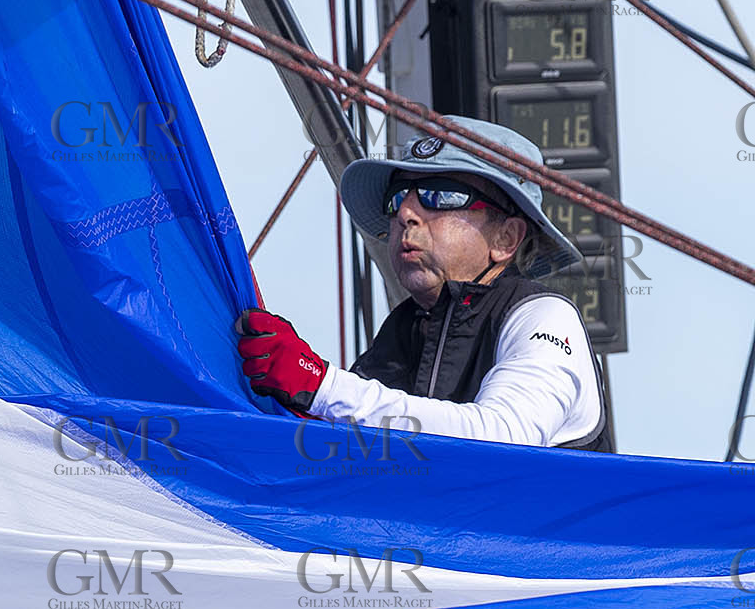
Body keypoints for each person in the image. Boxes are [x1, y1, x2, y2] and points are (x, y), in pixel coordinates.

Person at [233, 115, 612, 451]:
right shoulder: (401, 332)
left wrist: (323, 386)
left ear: (506, 239)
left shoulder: (543, 317)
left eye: (441, 194)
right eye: (399, 198)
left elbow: (503, 439)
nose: (407, 213)